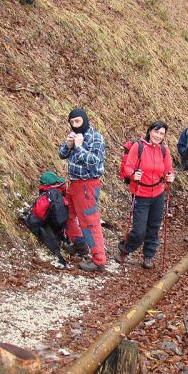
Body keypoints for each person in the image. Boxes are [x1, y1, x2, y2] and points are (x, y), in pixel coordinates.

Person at [116, 121, 175, 268]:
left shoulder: (164, 150)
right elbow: (128, 166)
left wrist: (170, 176)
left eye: (161, 133)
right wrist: (132, 174)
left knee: (154, 227)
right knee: (139, 230)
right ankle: (124, 249)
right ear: (150, 131)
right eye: (156, 132)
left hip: (158, 194)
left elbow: (169, 169)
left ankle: (148, 256)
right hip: (140, 193)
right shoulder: (139, 147)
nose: (158, 135)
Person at [58, 108, 107, 272]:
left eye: (77, 121)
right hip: (73, 184)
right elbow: (62, 154)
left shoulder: (96, 138)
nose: (75, 125)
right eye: (72, 122)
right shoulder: (74, 136)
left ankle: (99, 260)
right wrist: (69, 144)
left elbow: (93, 162)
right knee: (68, 216)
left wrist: (78, 147)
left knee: (89, 222)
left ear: (85, 120)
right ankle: (80, 245)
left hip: (88, 185)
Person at [25, 171, 69, 267]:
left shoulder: (48, 195)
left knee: (42, 227)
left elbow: (38, 215)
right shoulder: (62, 192)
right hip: (63, 227)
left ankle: (58, 254)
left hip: (51, 225)